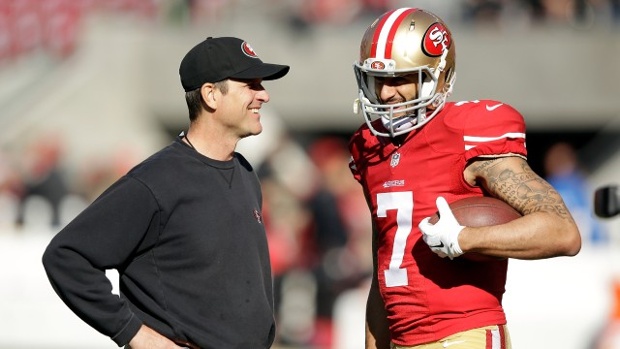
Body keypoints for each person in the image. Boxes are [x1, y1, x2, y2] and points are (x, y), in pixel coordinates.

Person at [347, 8, 581, 349]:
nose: (385, 94)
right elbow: (382, 272)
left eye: (399, 79)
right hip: (402, 339)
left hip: (462, 335)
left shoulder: (467, 132)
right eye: (378, 79)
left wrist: (466, 238)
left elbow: (562, 232)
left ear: (436, 76)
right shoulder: (370, 149)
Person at [42, 36, 289, 349]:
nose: (263, 95)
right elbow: (66, 255)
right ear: (211, 95)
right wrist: (137, 336)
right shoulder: (156, 181)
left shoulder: (245, 172)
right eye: (250, 85)